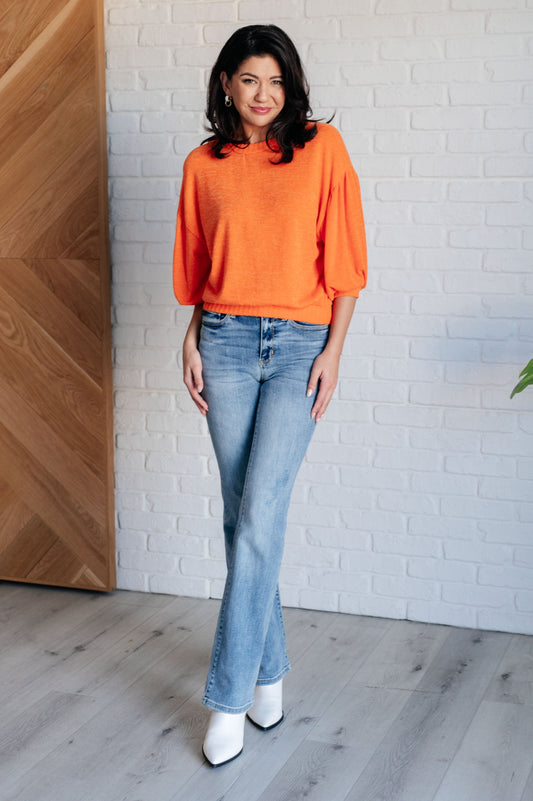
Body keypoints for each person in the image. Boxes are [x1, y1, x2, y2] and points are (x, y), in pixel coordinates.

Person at [173, 24, 367, 767]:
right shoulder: (203, 164)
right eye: (250, 80)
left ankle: (226, 699)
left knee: (257, 517)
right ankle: (270, 672)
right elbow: (204, 264)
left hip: (297, 349)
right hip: (220, 341)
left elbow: (345, 261)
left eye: (277, 81)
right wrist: (190, 335)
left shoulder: (322, 150)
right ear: (225, 83)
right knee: (240, 516)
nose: (264, 96)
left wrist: (334, 353)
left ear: (292, 87)